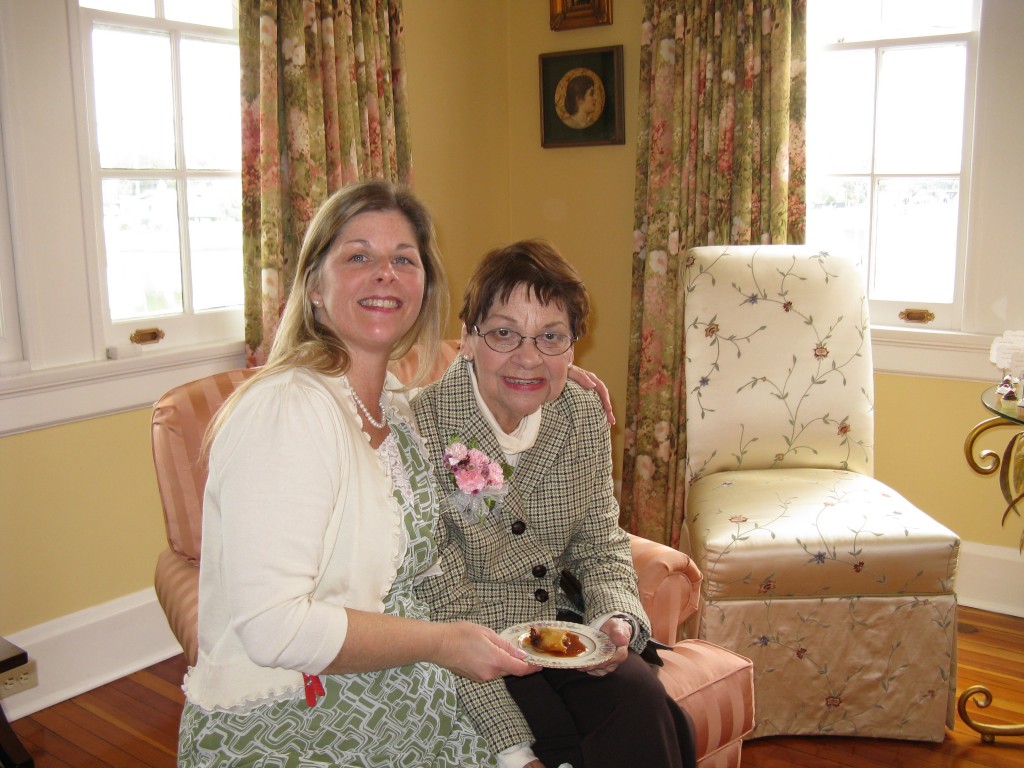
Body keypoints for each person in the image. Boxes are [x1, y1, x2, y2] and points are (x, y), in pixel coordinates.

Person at [176, 180, 539, 768]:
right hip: (296, 720)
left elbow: (484, 528)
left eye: (403, 259)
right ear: (315, 288)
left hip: (414, 707)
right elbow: (274, 630)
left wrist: (543, 389)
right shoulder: (288, 409)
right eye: (358, 256)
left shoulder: (396, 412)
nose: (384, 273)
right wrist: (444, 643)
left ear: (424, 288)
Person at [413, 239, 697, 768]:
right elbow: (441, 603)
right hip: (476, 648)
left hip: (566, 633)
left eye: (551, 337)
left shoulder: (582, 413)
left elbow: (601, 545)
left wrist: (615, 619)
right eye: (503, 334)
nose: (528, 358)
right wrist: (514, 751)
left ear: (572, 348)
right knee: (552, 743)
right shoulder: (422, 428)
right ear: (468, 340)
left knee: (639, 702)